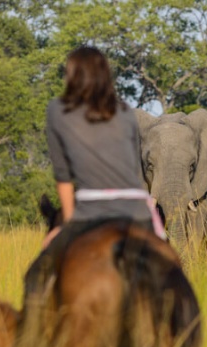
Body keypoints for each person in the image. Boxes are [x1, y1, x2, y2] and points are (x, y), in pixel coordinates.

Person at [22, 45, 163, 300]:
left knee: (35, 279)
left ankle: (32, 340)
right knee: (172, 271)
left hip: (91, 211)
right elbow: (135, 169)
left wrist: (65, 224)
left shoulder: (58, 110)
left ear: (72, 75)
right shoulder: (125, 112)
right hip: (137, 211)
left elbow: (63, 177)